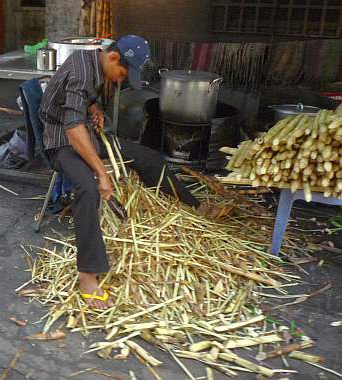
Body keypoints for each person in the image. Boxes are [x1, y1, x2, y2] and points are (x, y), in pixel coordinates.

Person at [40, 35, 225, 309]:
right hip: (62, 143)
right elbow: (72, 127)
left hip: (86, 135)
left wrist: (93, 107)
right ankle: (87, 275)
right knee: (88, 185)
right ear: (114, 58)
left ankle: (194, 206)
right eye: (123, 74)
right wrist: (101, 172)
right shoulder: (82, 71)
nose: (120, 80)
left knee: (148, 157)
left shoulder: (91, 62)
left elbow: (73, 99)